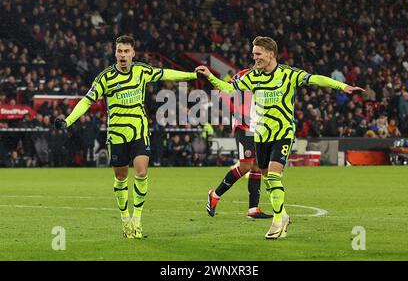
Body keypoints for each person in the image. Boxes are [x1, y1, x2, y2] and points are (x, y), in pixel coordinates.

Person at [196, 36, 364, 239]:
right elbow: (229, 89)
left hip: (283, 132)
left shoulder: (287, 74)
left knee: (274, 176)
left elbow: (314, 78)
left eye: (258, 54)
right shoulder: (252, 76)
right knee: (267, 178)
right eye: (253, 54)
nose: (254, 57)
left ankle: (277, 222)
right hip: (261, 135)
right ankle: (282, 214)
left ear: (270, 54)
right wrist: (210, 77)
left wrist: (341, 86)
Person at [54, 35, 197, 239]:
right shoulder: (105, 78)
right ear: (115, 53)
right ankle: (125, 219)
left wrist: (192, 75)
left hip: (139, 131)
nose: (122, 55)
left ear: (133, 54)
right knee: (121, 177)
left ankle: (137, 220)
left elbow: (166, 74)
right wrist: (68, 120)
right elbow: (86, 101)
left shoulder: (141, 71)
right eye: (119, 51)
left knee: (141, 172)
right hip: (117, 134)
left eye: (126, 51)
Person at [207, 67, 273, 219]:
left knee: (257, 165)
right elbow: (223, 92)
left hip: (258, 127)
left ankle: (253, 209)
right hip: (244, 126)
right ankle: (215, 195)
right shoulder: (244, 75)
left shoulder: (270, 77)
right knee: (245, 166)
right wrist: (237, 112)